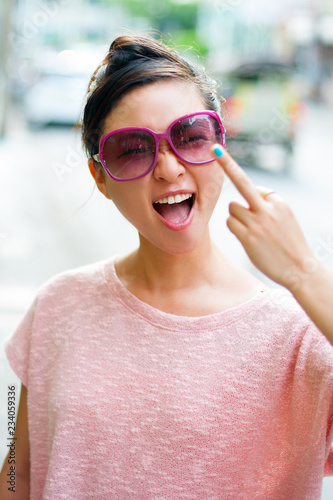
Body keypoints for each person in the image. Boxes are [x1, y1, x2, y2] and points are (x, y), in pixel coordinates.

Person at [1, 33, 333, 500]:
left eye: (191, 136)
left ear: (221, 142)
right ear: (100, 177)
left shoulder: (304, 335)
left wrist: (304, 273)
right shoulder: (58, 305)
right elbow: (18, 474)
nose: (168, 168)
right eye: (132, 149)